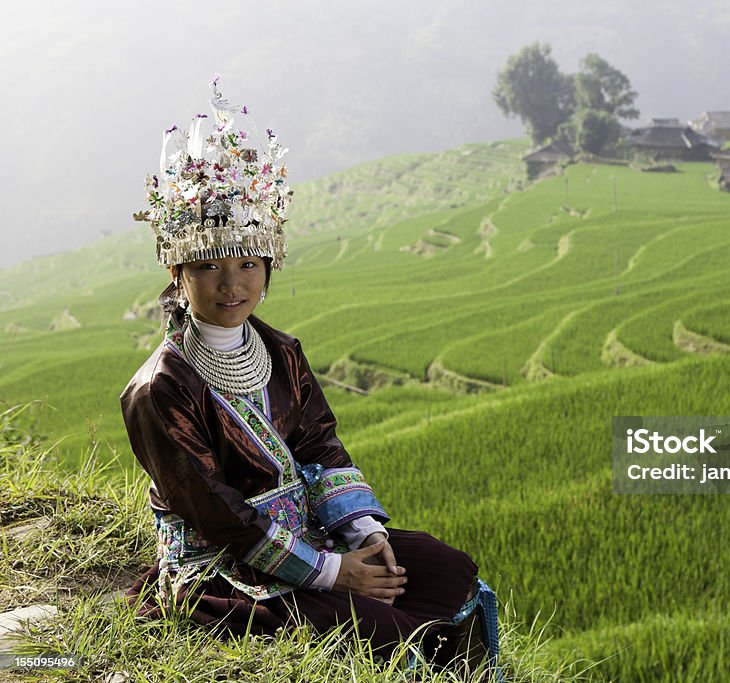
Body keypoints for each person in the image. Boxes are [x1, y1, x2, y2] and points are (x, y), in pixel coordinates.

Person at [122, 77, 500, 676]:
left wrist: (360, 531)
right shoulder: (159, 388)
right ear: (177, 271)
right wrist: (333, 573)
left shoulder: (280, 351)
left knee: (443, 567)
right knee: (386, 626)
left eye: (249, 264)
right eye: (209, 266)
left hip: (315, 537)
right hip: (226, 563)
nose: (232, 284)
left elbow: (320, 443)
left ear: (269, 267)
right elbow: (216, 513)